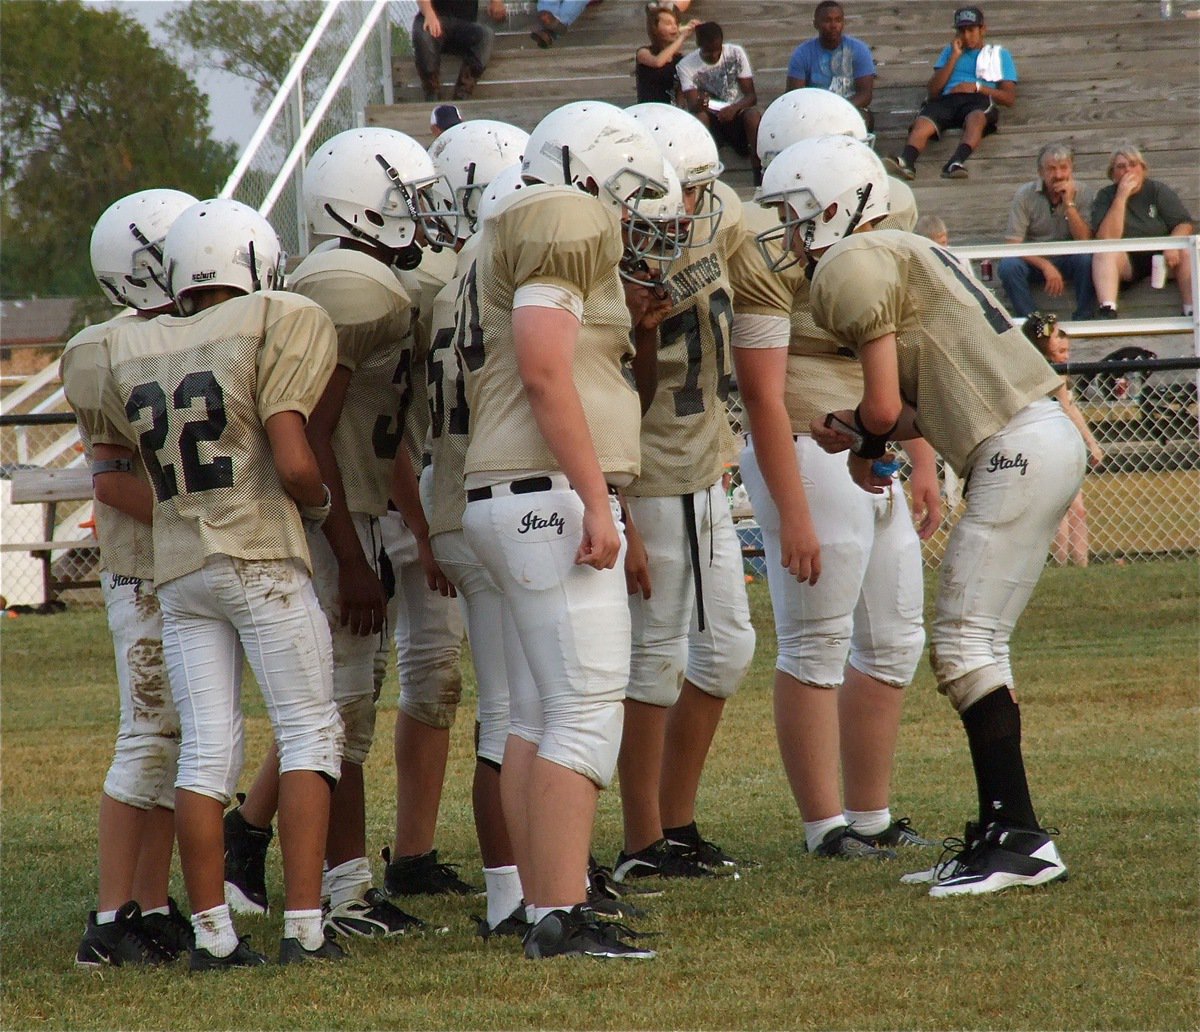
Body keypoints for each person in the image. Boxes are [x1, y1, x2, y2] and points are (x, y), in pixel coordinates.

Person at [759, 134, 1083, 897]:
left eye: (798, 217)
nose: (795, 236)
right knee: (978, 644)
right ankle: (1006, 829)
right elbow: (911, 408)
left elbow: (881, 409)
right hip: (1038, 432)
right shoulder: (906, 246)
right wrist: (861, 428)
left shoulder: (853, 263)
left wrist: (862, 437)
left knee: (967, 645)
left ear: (835, 209)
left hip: (1015, 446)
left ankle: (1020, 839)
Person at [98, 198, 346, 966]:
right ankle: (305, 927)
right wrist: (320, 504)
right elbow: (296, 456)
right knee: (309, 732)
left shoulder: (131, 344)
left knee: (206, 754)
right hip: (258, 550)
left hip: (178, 567)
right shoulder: (280, 316)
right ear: (254, 262)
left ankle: (212, 935)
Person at [458, 100, 679, 958]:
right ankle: (559, 913)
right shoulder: (562, 214)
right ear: (590, 173)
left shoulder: (518, 224)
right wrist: (597, 498)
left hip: (509, 491)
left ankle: (541, 901)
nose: (637, 215)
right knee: (584, 708)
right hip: (543, 490)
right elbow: (546, 369)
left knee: (536, 713)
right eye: (630, 192)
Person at [221, 129, 451, 940]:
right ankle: (340, 892)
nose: (422, 216)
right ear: (362, 206)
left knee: (337, 705)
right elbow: (314, 435)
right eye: (406, 200)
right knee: (337, 710)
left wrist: (403, 528)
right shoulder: (354, 291)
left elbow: (363, 433)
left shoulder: (359, 280)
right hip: (326, 520)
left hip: (348, 511)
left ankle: (259, 844)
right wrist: (353, 557)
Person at [730, 97, 938, 862]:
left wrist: (921, 457)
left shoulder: (888, 214)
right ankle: (825, 826)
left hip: (875, 434)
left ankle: (871, 815)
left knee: (891, 638)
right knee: (816, 640)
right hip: (805, 441)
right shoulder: (762, 246)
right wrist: (792, 511)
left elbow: (900, 349)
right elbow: (761, 392)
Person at [612, 102, 757, 884]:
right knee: (655, 660)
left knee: (728, 650)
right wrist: (619, 511)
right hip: (653, 472)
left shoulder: (716, 218)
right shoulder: (603, 259)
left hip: (703, 466)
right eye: (685, 193)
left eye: (702, 192)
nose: (698, 210)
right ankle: (643, 841)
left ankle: (675, 819)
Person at [64, 189, 198, 968]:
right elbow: (112, 481)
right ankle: (109, 920)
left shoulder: (189, 328)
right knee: (148, 735)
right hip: (143, 567)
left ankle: (151, 902)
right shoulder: (101, 349)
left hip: (184, 559)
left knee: (180, 745)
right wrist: (205, 519)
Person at [885, 6, 1016, 181]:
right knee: (924, 120)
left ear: (982, 29)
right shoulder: (949, 52)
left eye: (971, 30)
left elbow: (1008, 97)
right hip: (948, 99)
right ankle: (907, 161)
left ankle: (956, 161)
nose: (967, 36)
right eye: (962, 31)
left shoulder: (999, 54)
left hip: (977, 100)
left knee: (977, 118)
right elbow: (933, 90)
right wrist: (954, 56)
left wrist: (977, 87)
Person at [1022, 312, 1104, 566]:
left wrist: (1088, 442)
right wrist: (1091, 443)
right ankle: (1063, 563)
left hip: (1064, 444)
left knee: (1077, 510)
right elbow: (1068, 408)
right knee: (1064, 510)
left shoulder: (1057, 371)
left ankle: (1080, 564)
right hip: (1049, 445)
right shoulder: (1042, 370)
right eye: (1056, 335)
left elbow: (1071, 407)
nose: (1061, 342)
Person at [1090, 142, 1195, 318]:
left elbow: (1184, 223)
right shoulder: (1106, 195)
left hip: (1163, 257)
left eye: (1133, 165)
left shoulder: (1157, 190)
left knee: (1186, 250)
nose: (1128, 171)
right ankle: (1108, 309)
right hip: (1128, 261)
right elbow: (1107, 237)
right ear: (1113, 174)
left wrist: (1172, 244)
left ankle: (1191, 309)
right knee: (1105, 251)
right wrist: (1121, 197)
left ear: (1143, 170)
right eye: (1121, 167)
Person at [997, 143, 1096, 321]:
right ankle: (1032, 321)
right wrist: (1046, 266)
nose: (1058, 175)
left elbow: (1085, 240)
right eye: (1051, 169)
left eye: (1063, 168)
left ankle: (1084, 317)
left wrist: (1069, 204)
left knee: (1088, 259)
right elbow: (1012, 244)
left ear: (1071, 169)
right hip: (1036, 260)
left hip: (1070, 257)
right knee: (1008, 266)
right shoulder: (1025, 195)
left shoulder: (1084, 192)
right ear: (1040, 172)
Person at [677, 22, 764, 185]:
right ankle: (702, 172)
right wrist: (700, 104)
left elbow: (751, 96)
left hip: (736, 114)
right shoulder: (686, 65)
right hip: (711, 118)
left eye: (717, 50)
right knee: (700, 117)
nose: (714, 55)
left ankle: (759, 171)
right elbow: (692, 104)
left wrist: (733, 109)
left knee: (753, 116)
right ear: (698, 44)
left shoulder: (735, 53)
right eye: (708, 51)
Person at [785, 1, 876, 131]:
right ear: (816, 24)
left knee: (863, 118)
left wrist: (837, 109)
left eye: (838, 20)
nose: (833, 25)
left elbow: (865, 94)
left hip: (849, 109)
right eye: (827, 21)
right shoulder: (802, 53)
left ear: (843, 23)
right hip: (814, 113)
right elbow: (794, 96)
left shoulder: (858, 49)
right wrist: (820, 113)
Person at [412, 0, 507, 101]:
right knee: (423, 33)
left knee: (487, 36)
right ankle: (432, 92)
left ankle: (462, 94)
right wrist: (428, 12)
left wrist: (496, 2)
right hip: (435, 21)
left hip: (463, 25)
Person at [635, 4, 699, 105]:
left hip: (669, 110)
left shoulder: (679, 60)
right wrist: (681, 37)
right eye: (668, 23)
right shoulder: (643, 52)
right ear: (655, 28)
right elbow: (658, 62)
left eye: (675, 24)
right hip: (648, 109)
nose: (674, 27)